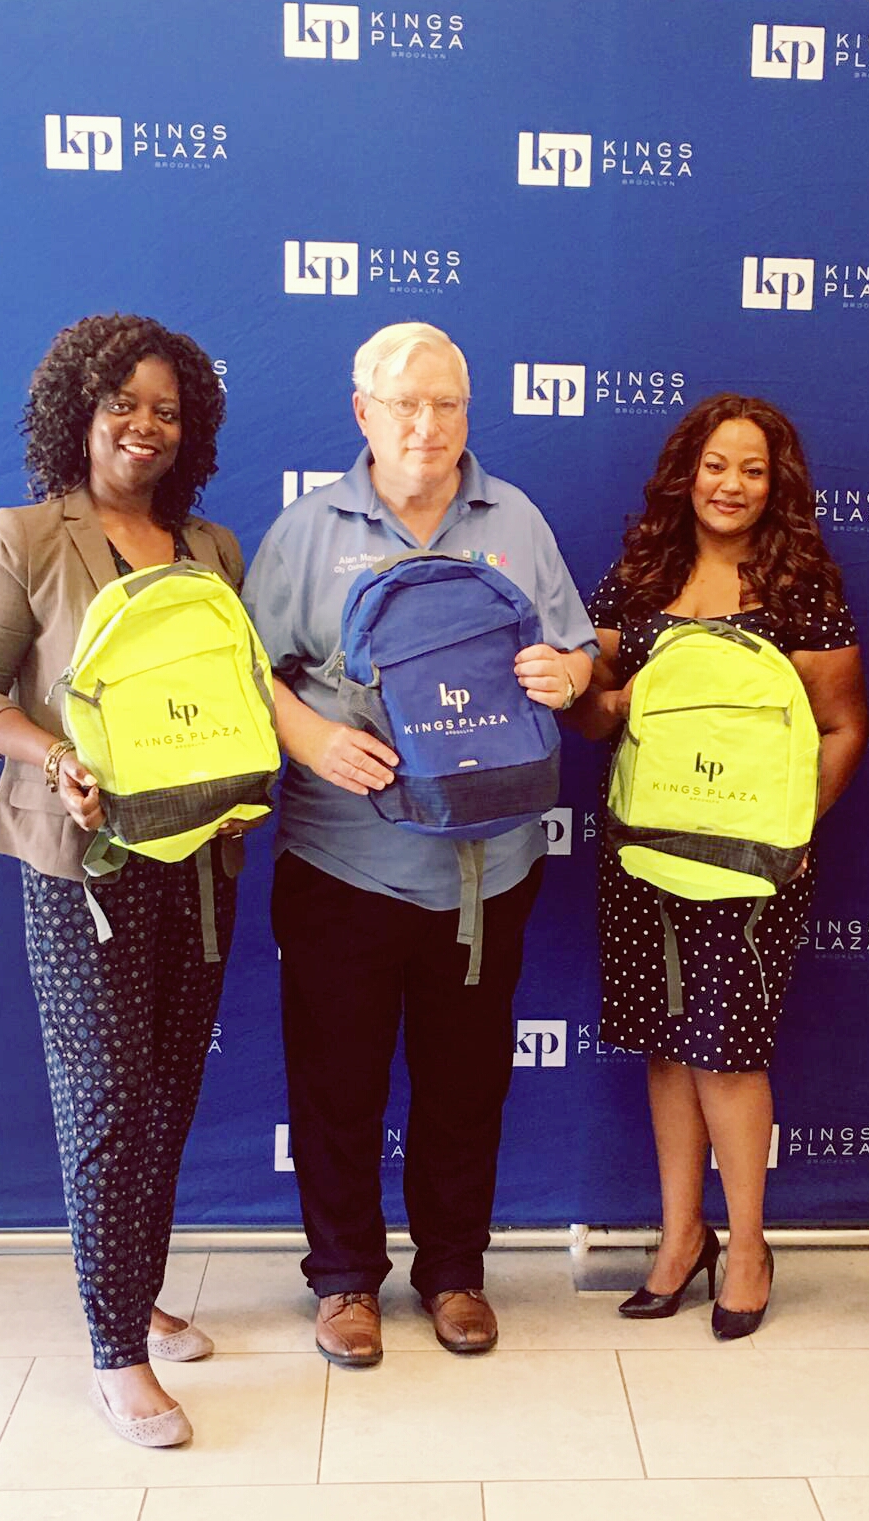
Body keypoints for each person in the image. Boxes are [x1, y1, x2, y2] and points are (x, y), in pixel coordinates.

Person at [243, 321, 595, 1367]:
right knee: (336, 1084)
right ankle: (345, 1280)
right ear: (363, 413)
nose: (426, 425)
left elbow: (574, 650)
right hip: (341, 861)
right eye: (404, 404)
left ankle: (452, 1271)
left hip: (487, 872)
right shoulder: (307, 531)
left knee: (465, 1081)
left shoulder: (515, 519)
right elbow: (247, 670)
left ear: (467, 414)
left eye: (445, 404)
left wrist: (564, 679)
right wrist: (308, 735)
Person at [0, 314, 244, 1445]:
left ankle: (131, 1287)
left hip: (200, 862)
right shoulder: (31, 537)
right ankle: (113, 1353)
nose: (143, 427)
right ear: (78, 412)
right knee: (105, 1102)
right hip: (78, 860)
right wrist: (58, 757)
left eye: (167, 410)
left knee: (168, 1097)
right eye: (121, 404)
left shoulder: (213, 550)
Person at [570, 394, 868, 1338]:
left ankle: (748, 1245)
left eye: (751, 468)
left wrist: (784, 829)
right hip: (644, 852)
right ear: (685, 474)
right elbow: (592, 708)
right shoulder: (637, 578)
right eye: (714, 465)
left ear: (775, 484)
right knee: (666, 1043)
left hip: (753, 867)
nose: (730, 484)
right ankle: (679, 1235)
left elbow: (845, 725)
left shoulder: (803, 587)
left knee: (728, 1053)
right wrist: (597, 704)